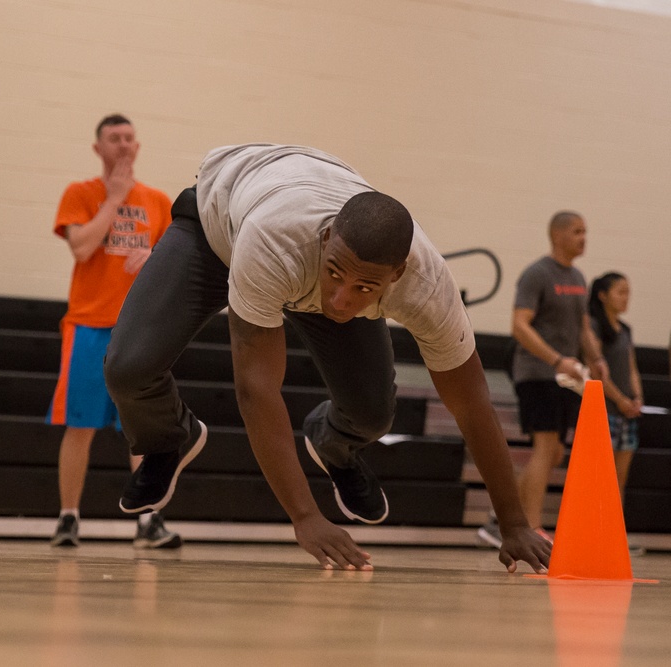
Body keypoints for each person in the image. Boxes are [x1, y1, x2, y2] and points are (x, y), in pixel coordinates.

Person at [104, 143, 551, 572]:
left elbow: (472, 403)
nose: (340, 301)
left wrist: (513, 524)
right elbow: (256, 389)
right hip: (220, 222)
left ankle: (331, 442)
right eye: (336, 273)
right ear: (326, 238)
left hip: (299, 241)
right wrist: (306, 517)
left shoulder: (428, 286)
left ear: (396, 277)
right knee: (128, 369)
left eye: (364, 288)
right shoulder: (275, 243)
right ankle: (168, 438)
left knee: (373, 414)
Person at [46, 114, 179, 549]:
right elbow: (82, 247)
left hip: (140, 330)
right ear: (98, 148)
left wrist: (155, 259)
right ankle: (68, 518)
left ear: (137, 147)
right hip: (88, 324)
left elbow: (176, 266)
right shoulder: (80, 193)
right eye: (113, 138)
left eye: (129, 138)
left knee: (141, 430)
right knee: (79, 426)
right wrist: (115, 199)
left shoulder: (159, 201)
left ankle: (147, 520)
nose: (123, 145)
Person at [478, 211, 606, 548]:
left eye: (585, 231)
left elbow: (582, 327)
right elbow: (519, 325)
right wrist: (556, 359)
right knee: (546, 447)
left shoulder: (578, 276)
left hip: (567, 378)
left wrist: (596, 358)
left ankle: (502, 521)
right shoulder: (537, 274)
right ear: (558, 235)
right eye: (578, 231)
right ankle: (531, 529)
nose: (584, 238)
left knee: (554, 453)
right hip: (537, 373)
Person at [588, 272, 642, 500]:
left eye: (628, 292)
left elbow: (632, 369)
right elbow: (595, 371)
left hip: (628, 415)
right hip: (605, 412)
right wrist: (620, 400)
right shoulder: (593, 326)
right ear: (602, 295)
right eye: (620, 292)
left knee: (619, 481)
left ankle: (614, 532)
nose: (626, 297)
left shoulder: (626, 330)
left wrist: (637, 398)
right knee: (599, 477)